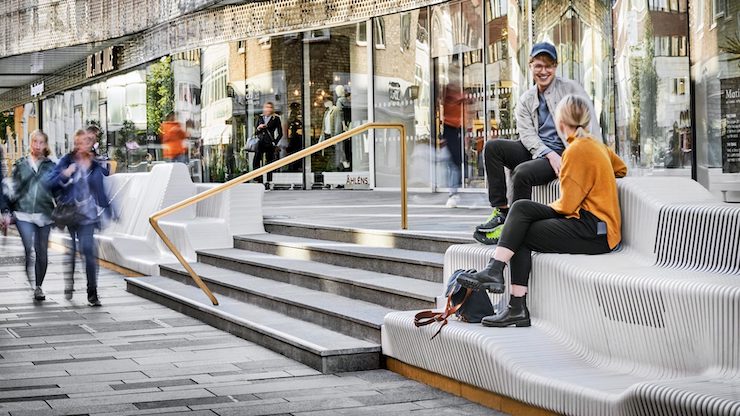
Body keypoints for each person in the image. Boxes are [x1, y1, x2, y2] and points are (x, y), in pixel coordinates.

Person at [457, 94, 627, 327]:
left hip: (595, 231)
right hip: (596, 226)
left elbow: (567, 206)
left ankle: (512, 299)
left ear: (560, 123)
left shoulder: (575, 151)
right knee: (521, 212)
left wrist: (545, 208)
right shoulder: (596, 145)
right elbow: (622, 168)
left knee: (521, 227)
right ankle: (498, 276)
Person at [475, 42, 602, 243]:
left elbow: (590, 123)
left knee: (522, 173)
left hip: (563, 153)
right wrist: (548, 154)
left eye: (548, 66)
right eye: (538, 66)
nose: (543, 71)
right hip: (540, 151)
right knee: (492, 148)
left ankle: (513, 230)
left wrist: (594, 159)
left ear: (555, 67)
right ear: (531, 66)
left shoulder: (570, 89)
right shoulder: (526, 99)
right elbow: (527, 135)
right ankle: (502, 212)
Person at [46, 129, 111, 307]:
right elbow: (49, 183)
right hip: (70, 213)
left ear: (90, 144)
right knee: (71, 251)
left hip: (88, 216)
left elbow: (101, 189)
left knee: (88, 250)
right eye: (78, 143)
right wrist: (65, 173)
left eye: (85, 142)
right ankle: (70, 282)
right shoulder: (66, 161)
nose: (81, 146)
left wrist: (110, 212)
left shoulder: (95, 165)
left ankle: (92, 292)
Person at [11, 130, 56, 300]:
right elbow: (12, 190)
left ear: (45, 145)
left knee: (42, 251)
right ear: (30, 143)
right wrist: (6, 211)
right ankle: (30, 277)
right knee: (28, 248)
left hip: (44, 214)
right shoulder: (20, 165)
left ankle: (38, 286)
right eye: (35, 142)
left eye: (41, 142)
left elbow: (57, 190)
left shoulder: (51, 166)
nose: (37, 145)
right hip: (23, 213)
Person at [440, 61, 466, 208]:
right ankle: (452, 193)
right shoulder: (448, 91)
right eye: (453, 73)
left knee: (457, 162)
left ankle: (454, 191)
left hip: (459, 129)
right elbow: (446, 106)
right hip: (450, 128)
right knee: (453, 162)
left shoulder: (459, 91)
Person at [253, 102, 282, 186]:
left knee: (270, 161)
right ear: (264, 108)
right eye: (267, 107)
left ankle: (269, 180)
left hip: (270, 143)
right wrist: (259, 128)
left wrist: (275, 142)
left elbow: (280, 133)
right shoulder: (260, 117)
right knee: (256, 160)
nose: (268, 109)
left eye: (270, 107)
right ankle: (258, 178)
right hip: (260, 142)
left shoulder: (275, 118)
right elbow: (256, 132)